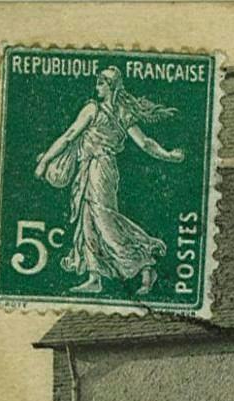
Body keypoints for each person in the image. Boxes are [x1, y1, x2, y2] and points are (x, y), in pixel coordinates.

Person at [32, 65, 185, 295]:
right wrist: (169, 155)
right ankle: (95, 277)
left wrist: (45, 162)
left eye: (100, 83)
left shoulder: (100, 110)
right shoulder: (110, 110)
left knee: (104, 220)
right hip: (90, 168)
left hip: (101, 169)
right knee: (88, 221)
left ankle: (145, 265)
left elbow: (71, 136)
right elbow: (71, 135)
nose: (96, 87)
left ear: (110, 86)